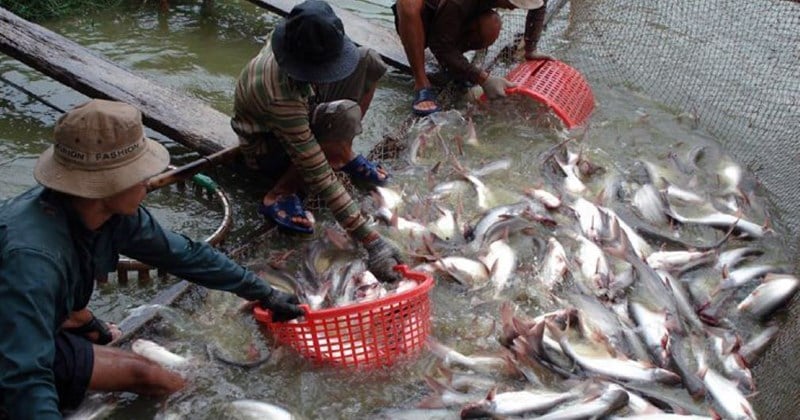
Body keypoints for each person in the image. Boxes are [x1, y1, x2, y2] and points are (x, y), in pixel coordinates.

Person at [0, 99, 306, 419]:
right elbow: (25, 382)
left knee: (159, 377)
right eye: (139, 175)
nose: (149, 180)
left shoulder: (109, 215)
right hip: (12, 345)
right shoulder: (33, 261)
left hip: (24, 315)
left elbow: (187, 256)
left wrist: (264, 292)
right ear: (104, 186)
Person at [230, 0, 404, 282]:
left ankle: (342, 152)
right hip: (267, 145)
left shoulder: (299, 37)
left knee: (369, 60)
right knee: (343, 117)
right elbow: (318, 174)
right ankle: (279, 193)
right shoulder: (279, 96)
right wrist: (371, 241)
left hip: (303, 102)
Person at [392, 0, 548, 116]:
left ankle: (453, 65)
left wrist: (531, 49)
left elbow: (539, 6)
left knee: (490, 25)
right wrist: (483, 78)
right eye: (513, 3)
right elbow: (439, 44)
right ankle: (421, 83)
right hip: (424, 18)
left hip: (451, 16)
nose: (514, 8)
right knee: (408, 5)